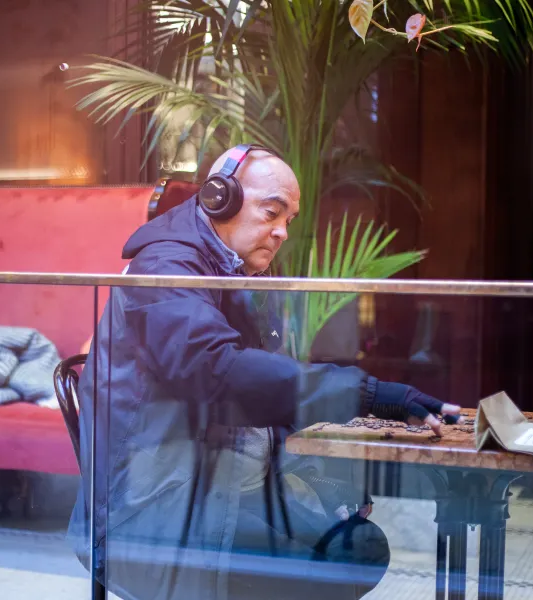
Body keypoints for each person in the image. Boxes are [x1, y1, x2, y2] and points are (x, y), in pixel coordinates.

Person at [68, 144, 462, 600]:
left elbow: (264, 393)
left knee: (360, 544)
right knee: (339, 561)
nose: (281, 233)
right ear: (220, 198)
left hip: (217, 482)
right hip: (145, 512)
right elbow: (217, 371)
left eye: (288, 220)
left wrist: (319, 476)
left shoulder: (232, 271)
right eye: (271, 213)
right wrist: (368, 392)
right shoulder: (165, 268)